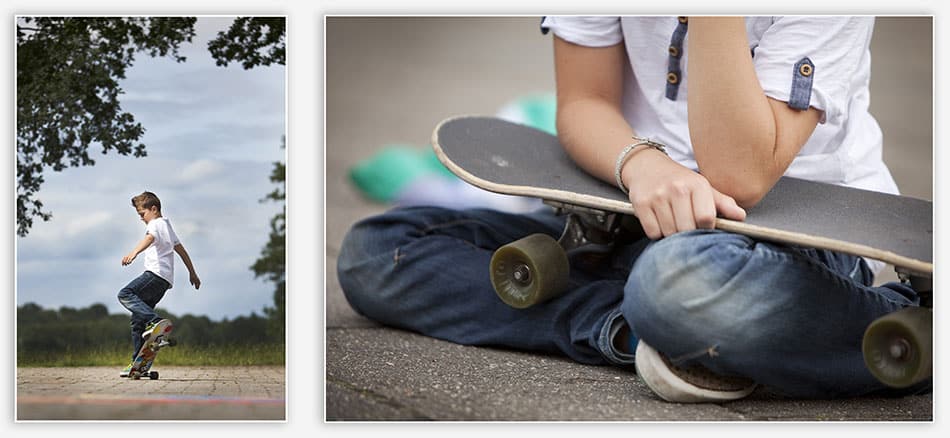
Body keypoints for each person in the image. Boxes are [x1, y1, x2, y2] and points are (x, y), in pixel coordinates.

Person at [337, 16, 931, 402]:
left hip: (785, 241)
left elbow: (739, 174)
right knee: (378, 254)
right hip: (629, 211)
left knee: (678, 284)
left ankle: (905, 333)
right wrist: (642, 165)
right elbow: (583, 101)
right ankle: (632, 331)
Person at [118, 191, 201, 377]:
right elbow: (181, 251)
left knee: (125, 294)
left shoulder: (156, 224)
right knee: (137, 321)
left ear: (153, 209)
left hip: (154, 275)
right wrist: (192, 273)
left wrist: (134, 252)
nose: (141, 218)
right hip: (164, 282)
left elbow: (149, 238)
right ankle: (138, 365)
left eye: (142, 214)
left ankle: (155, 321)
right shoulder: (167, 226)